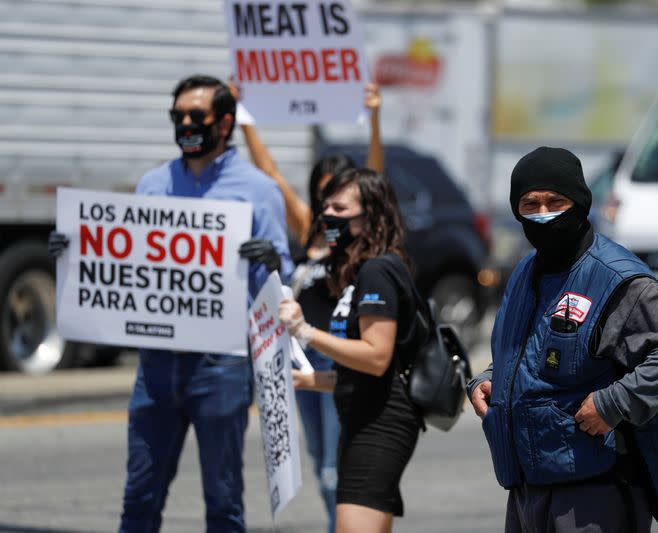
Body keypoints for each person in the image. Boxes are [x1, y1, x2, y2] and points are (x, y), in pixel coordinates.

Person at [53, 74, 293, 532]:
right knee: (139, 497)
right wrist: (75, 250)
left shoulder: (259, 190)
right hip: (157, 366)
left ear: (224, 123)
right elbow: (123, 257)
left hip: (220, 366)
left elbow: (281, 284)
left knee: (223, 502)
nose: (185, 123)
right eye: (177, 116)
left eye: (196, 116)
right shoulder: (153, 183)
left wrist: (270, 262)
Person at [468, 146, 658, 533]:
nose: (543, 214)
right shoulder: (524, 273)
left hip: (594, 490)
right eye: (530, 204)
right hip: (528, 487)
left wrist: (615, 403)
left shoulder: (615, 278)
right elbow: (523, 352)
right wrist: (488, 380)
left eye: (555, 201)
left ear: (579, 202)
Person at [232, 82, 384, 533]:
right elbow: (270, 172)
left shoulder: (363, 232)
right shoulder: (309, 227)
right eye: (322, 196)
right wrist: (244, 115)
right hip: (301, 359)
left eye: (338, 196)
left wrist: (374, 117)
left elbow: (376, 173)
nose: (329, 208)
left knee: (340, 466)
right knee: (320, 461)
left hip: (341, 356)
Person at [278, 168, 423, 533]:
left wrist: (304, 331)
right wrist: (308, 379)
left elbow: (376, 358)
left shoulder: (377, 271)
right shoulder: (361, 273)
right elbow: (358, 369)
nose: (328, 216)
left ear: (369, 215)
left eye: (340, 209)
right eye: (326, 207)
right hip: (363, 422)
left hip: (380, 426)